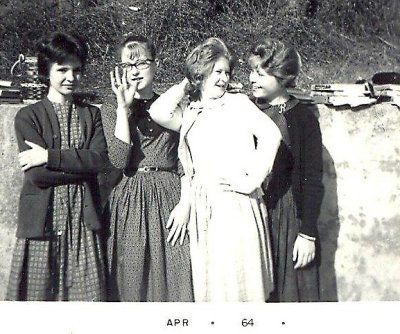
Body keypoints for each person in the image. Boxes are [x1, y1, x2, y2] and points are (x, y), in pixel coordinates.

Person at [149, 37, 282, 302]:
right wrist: (188, 83)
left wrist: (253, 179)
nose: (223, 78)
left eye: (227, 72)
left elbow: (272, 135)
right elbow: (158, 111)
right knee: (215, 289)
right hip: (204, 208)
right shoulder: (191, 110)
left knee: (242, 286)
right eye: (217, 71)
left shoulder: (238, 103)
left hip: (237, 204)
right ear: (201, 72)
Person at [6, 31, 108, 301]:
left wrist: (50, 157)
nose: (71, 77)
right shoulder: (28, 116)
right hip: (44, 224)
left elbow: (98, 161)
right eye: (62, 69)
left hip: (82, 225)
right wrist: (79, 164)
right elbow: (38, 176)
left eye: (76, 70)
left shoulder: (91, 114)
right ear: (46, 71)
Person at [100, 35, 193, 302]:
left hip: (169, 197)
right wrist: (122, 108)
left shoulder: (171, 106)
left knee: (175, 274)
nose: (135, 70)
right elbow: (119, 159)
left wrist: (185, 205)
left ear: (156, 65)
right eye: (128, 64)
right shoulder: (110, 108)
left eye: (142, 62)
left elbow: (185, 161)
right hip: (129, 199)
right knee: (131, 278)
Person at [248, 38, 324, 302]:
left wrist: (307, 234)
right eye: (251, 71)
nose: (251, 78)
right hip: (249, 212)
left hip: (288, 216)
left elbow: (312, 179)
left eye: (260, 73)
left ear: (281, 74)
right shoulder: (244, 111)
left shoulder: (303, 118)